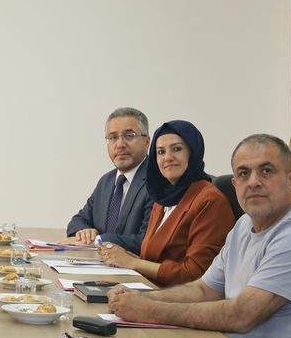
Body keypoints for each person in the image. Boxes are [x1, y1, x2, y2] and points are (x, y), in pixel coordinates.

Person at [107, 134, 291, 338]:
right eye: (244, 174)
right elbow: (204, 290)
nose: (253, 182)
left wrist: (150, 310)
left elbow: (242, 315)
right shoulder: (244, 225)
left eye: (266, 171)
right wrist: (141, 298)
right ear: (235, 185)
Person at [99, 120, 235, 287]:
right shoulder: (162, 199)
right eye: (161, 152)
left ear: (193, 152)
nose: (168, 158)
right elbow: (151, 258)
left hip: (179, 297)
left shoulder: (209, 201)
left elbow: (194, 274)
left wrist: (132, 262)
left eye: (177, 149)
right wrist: (123, 257)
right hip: (149, 289)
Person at [66, 108, 155, 252]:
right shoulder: (106, 182)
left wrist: (99, 240)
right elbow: (78, 220)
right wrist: (84, 230)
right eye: (113, 137)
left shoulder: (156, 181)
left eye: (129, 136)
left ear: (146, 142)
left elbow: (146, 240)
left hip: (133, 265)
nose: (120, 144)